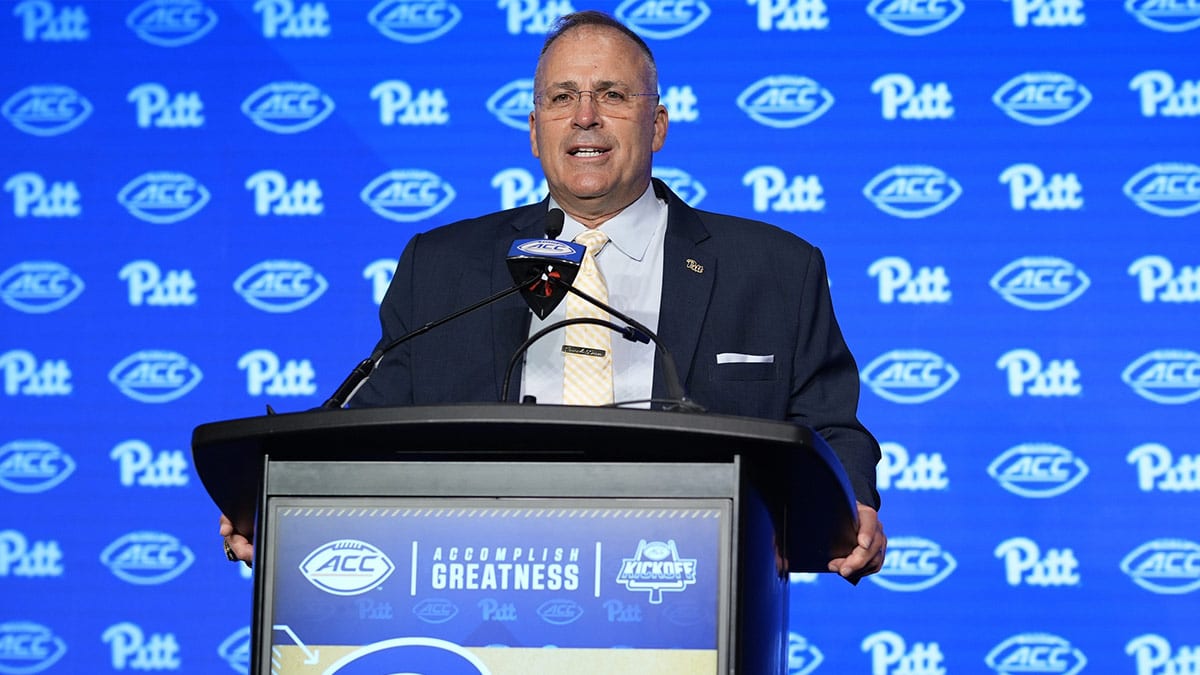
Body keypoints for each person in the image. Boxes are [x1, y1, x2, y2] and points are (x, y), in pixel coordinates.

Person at [221, 9, 885, 583]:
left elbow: (829, 426)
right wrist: (283, 502)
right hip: (485, 597)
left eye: (613, 95)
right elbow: (374, 425)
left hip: (688, 591)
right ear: (535, 129)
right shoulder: (444, 268)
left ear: (657, 125)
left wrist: (853, 502)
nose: (586, 116)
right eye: (562, 96)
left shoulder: (773, 268)